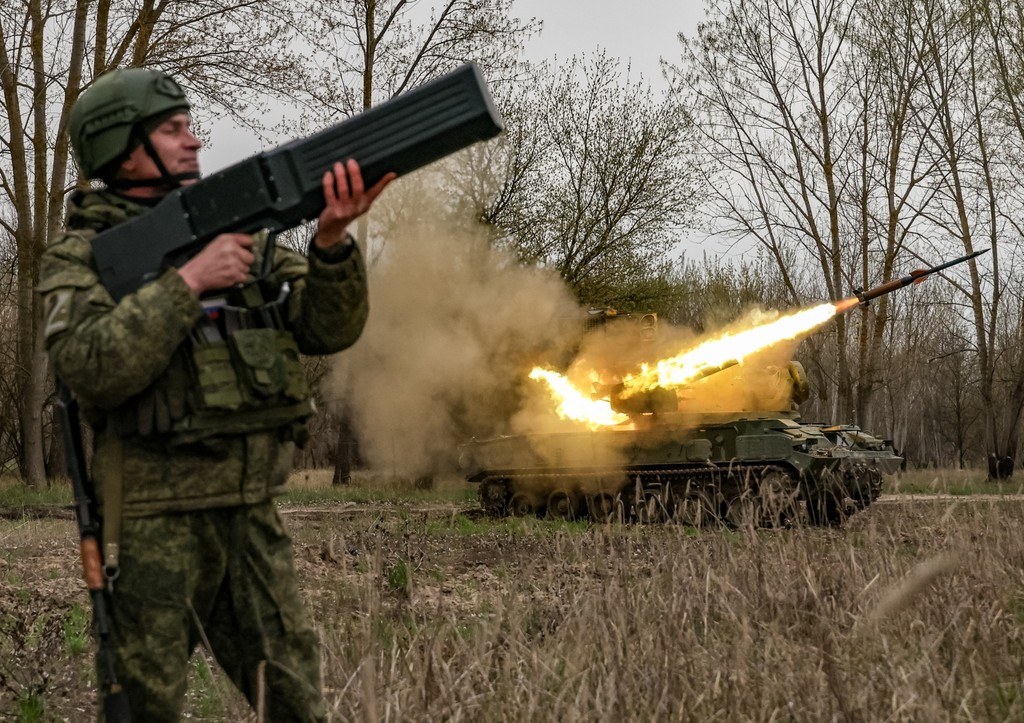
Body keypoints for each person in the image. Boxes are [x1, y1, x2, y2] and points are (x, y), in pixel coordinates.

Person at [39, 67, 394, 722]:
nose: (194, 140)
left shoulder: (237, 234)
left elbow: (328, 328)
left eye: (190, 126)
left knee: (296, 701)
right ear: (122, 146)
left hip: (249, 516)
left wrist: (331, 242)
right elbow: (91, 364)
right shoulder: (80, 258)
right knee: (146, 707)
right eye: (173, 130)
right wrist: (188, 284)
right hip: (151, 526)